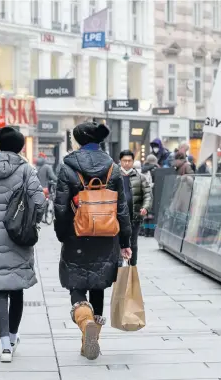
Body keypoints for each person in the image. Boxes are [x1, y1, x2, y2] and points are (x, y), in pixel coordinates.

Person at [53, 122, 132, 361]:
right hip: (107, 236)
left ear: (78, 141)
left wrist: (62, 233)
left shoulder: (68, 167)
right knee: (98, 285)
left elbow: (60, 208)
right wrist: (126, 240)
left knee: (77, 284)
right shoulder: (113, 168)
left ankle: (85, 320)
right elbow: (122, 208)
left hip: (77, 235)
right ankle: (93, 338)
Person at [0, 127, 46, 363]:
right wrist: (31, 222)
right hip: (19, 235)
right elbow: (39, 201)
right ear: (20, 147)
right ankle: (13, 338)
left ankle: (4, 346)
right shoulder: (25, 169)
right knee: (16, 288)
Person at [119, 150, 153, 265]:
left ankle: (132, 267)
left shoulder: (140, 177)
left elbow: (148, 195)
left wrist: (145, 208)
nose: (127, 163)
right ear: (120, 161)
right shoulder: (115, 177)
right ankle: (118, 268)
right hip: (117, 217)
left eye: (129, 161)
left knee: (133, 243)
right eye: (124, 161)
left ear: (133, 162)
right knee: (117, 243)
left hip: (135, 216)